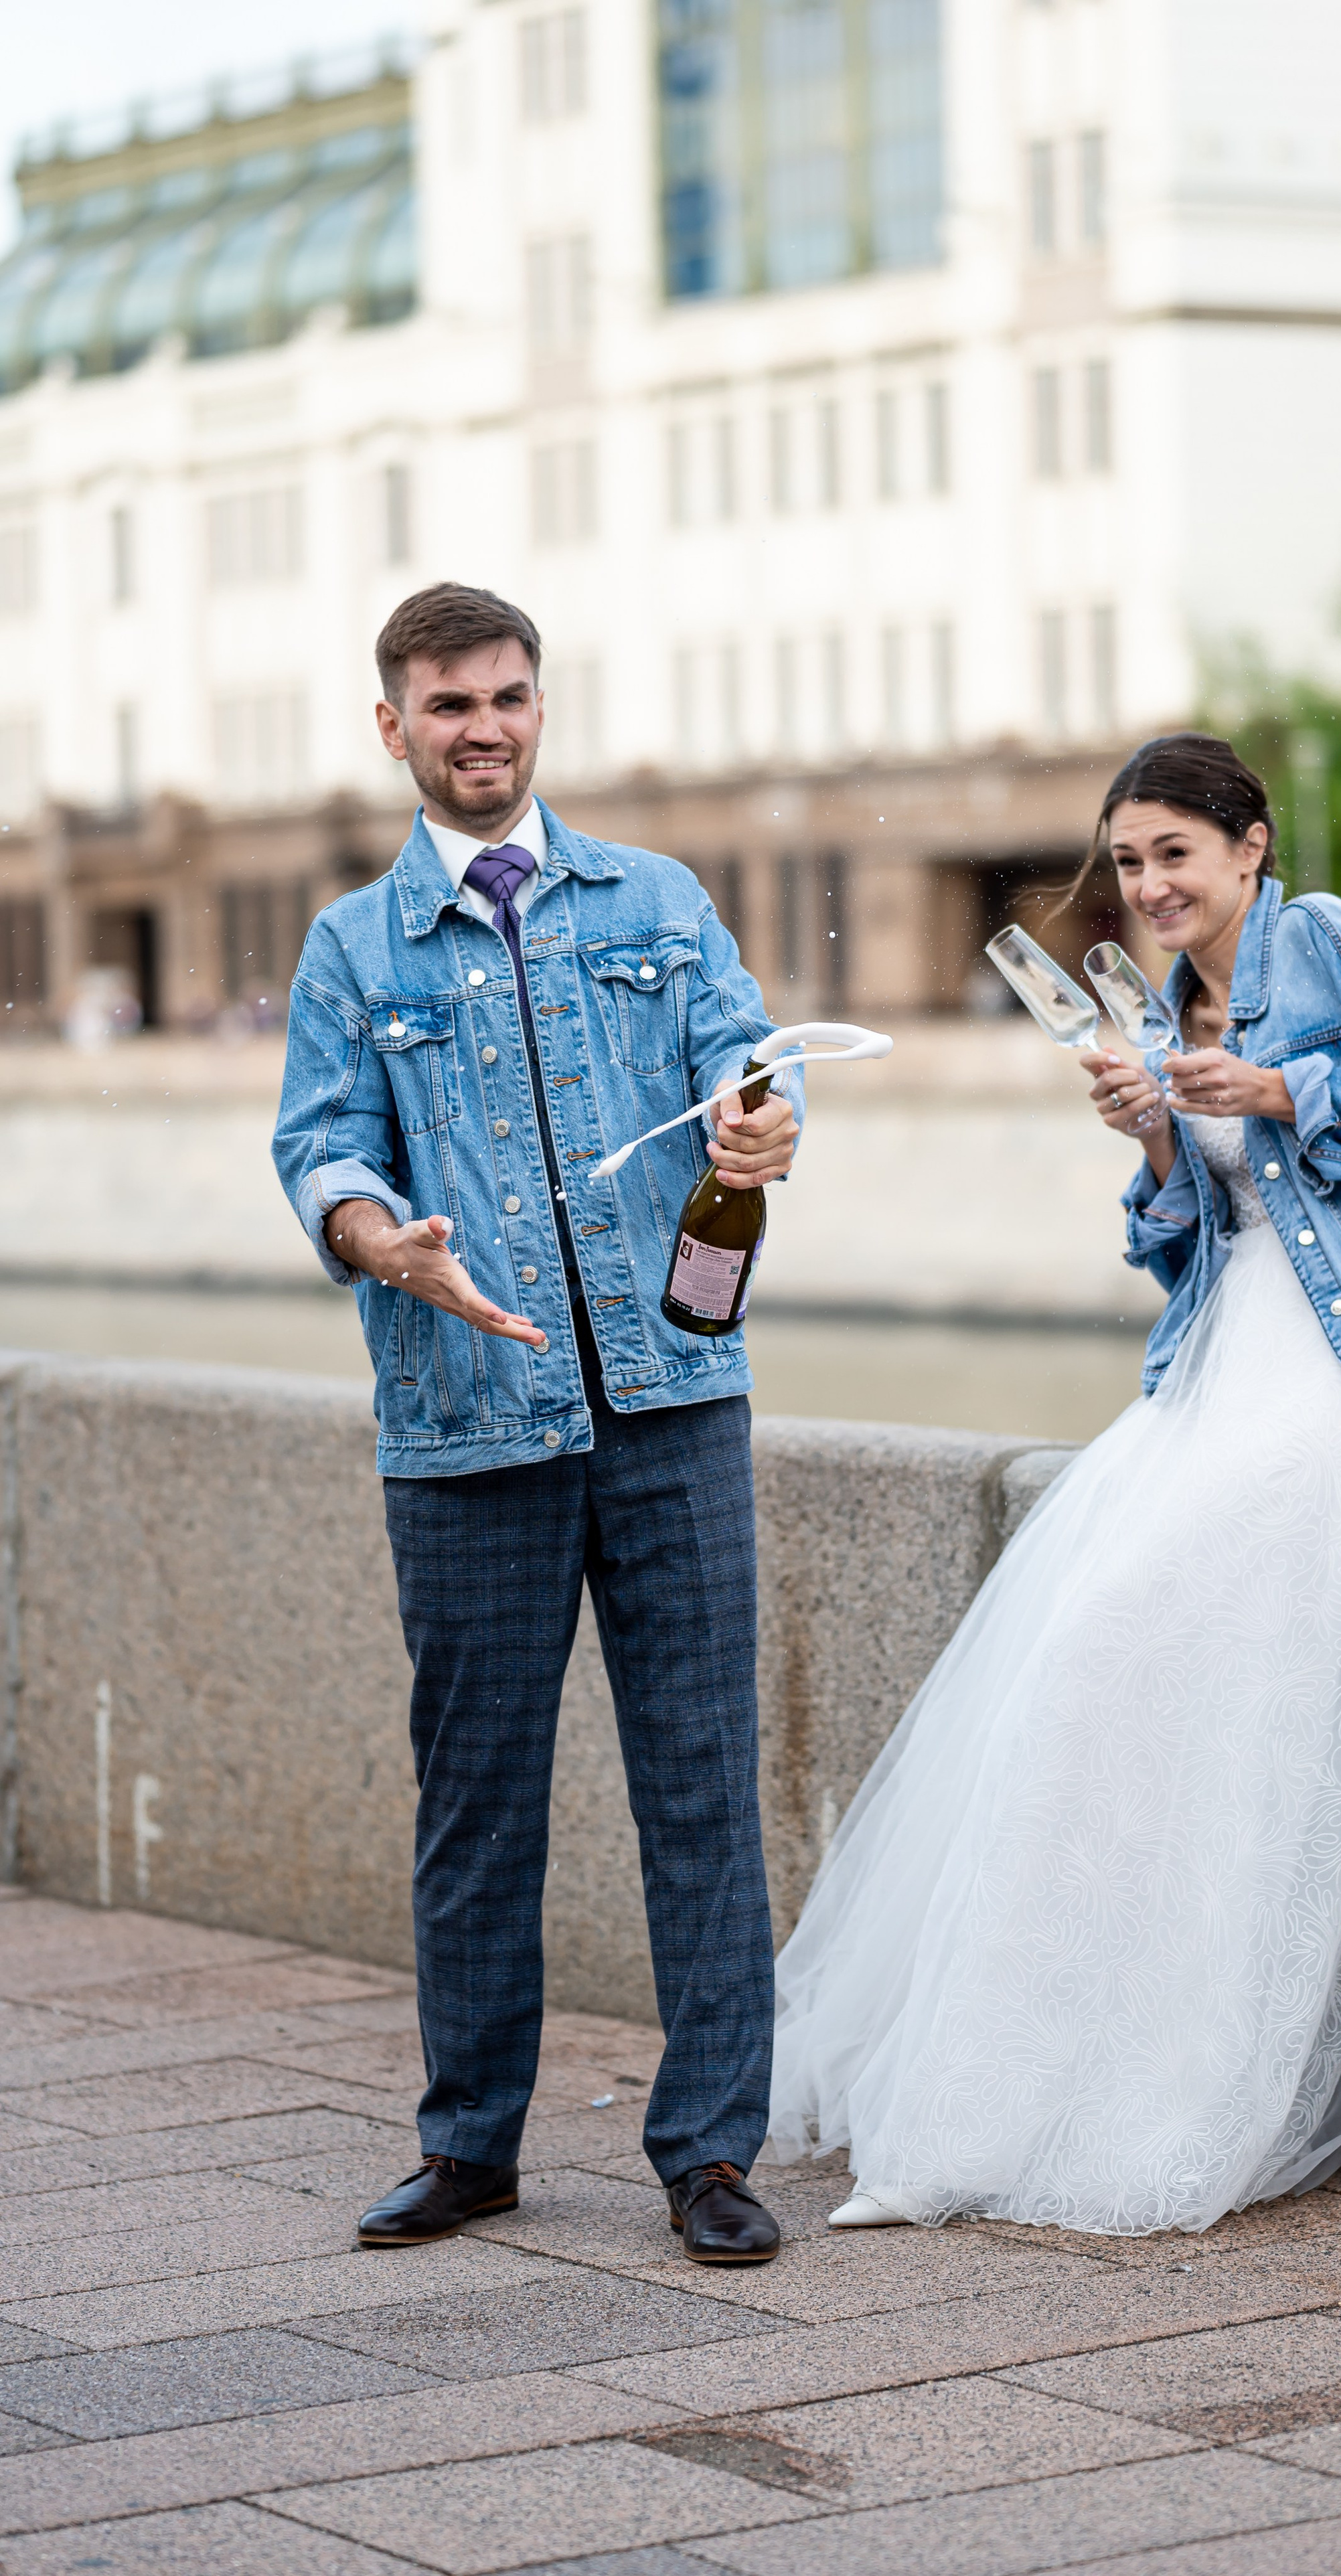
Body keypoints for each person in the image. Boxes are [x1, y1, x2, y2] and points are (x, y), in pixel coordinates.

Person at [766, 732, 1341, 2237]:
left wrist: (1283, 1087)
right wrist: (1163, 1141)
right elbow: (1182, 1232)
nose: (1147, 882)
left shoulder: (1329, 942)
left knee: (1158, 1612)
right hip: (1228, 1349)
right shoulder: (1153, 999)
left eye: (1173, 852)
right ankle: (993, 2092)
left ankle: (1177, 2082)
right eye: (1125, 861)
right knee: (1077, 1642)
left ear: (1248, 847)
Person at [273, 582, 801, 2265]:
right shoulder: (352, 947)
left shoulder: (654, 897)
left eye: (505, 697)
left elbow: (749, 1059)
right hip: (464, 1425)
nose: (481, 726)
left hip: (673, 1406)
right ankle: (471, 2145)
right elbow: (323, 1151)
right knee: (478, 1798)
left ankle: (709, 2152)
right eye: (446, 706)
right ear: (393, 728)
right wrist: (385, 1244)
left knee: (705, 1785)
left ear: (537, 707)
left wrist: (762, 1127)